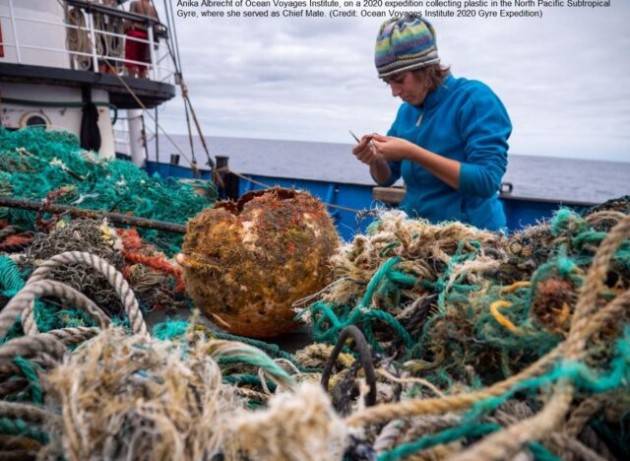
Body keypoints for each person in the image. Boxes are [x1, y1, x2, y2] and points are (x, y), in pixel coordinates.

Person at [353, 14, 512, 231]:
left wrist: (412, 152)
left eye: (399, 80)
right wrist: (375, 160)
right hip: (418, 234)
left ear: (426, 68)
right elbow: (386, 178)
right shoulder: (406, 112)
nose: (394, 92)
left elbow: (486, 181)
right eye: (387, 82)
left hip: (471, 236)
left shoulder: (474, 99)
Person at [124, 0, 159, 78]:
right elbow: (157, 26)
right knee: (143, 64)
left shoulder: (134, 3)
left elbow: (129, 19)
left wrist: (122, 29)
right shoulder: (153, 9)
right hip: (147, 37)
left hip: (134, 34)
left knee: (131, 61)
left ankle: (131, 79)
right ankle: (143, 79)